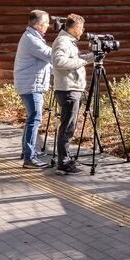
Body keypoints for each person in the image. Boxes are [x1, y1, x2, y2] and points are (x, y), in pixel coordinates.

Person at [51, 14, 92, 175]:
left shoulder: (68, 41)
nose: (82, 31)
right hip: (68, 90)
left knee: (69, 126)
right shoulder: (62, 41)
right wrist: (80, 62)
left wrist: (93, 56)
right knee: (67, 128)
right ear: (75, 28)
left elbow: (76, 59)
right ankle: (64, 163)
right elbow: (59, 62)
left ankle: (65, 158)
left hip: (72, 89)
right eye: (81, 28)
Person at [13, 10, 52, 169]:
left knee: (32, 119)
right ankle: (29, 158)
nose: (49, 26)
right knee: (34, 119)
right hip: (31, 86)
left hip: (30, 84)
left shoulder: (33, 37)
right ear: (38, 25)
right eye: (46, 23)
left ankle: (27, 152)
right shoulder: (31, 39)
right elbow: (50, 55)